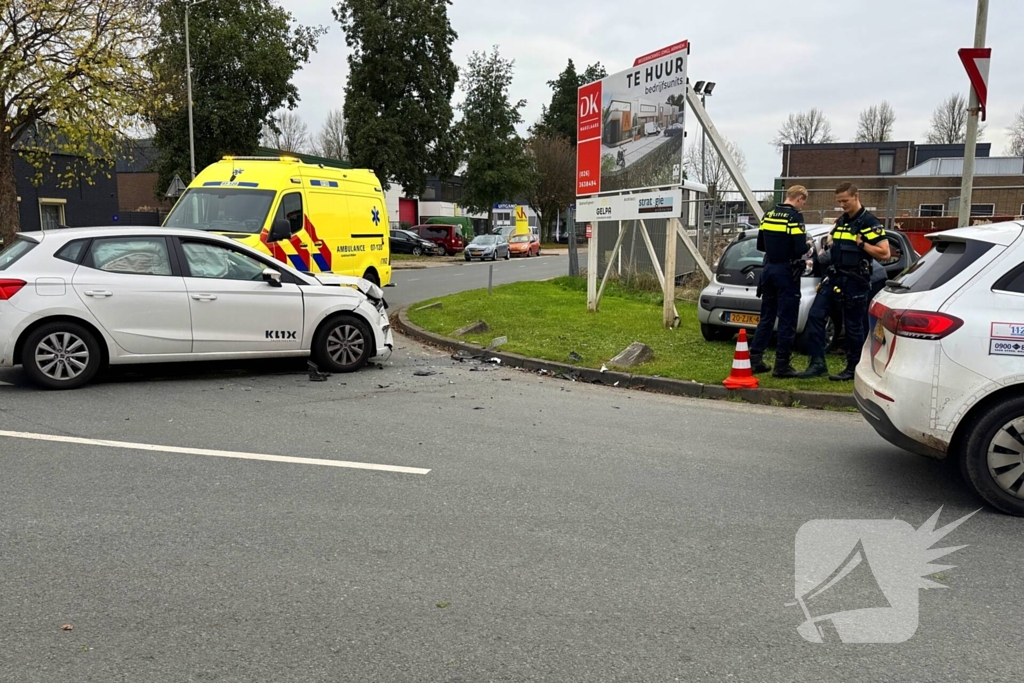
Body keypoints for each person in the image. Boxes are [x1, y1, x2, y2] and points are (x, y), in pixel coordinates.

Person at [798, 183, 890, 381]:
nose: (842, 205)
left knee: (853, 326)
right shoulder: (842, 221)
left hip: (855, 280)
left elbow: (885, 252)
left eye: (845, 201)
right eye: (839, 201)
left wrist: (863, 244)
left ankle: (853, 368)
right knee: (815, 315)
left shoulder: (868, 222)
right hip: (834, 277)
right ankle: (817, 364)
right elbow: (834, 248)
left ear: (856, 196)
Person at [749, 185, 810, 378]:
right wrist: (807, 245)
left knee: (766, 317)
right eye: (803, 202)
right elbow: (800, 248)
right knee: (787, 319)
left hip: (768, 271)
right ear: (799, 198)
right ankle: (782, 365)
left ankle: (755, 359)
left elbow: (760, 245)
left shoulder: (768, 215)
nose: (802, 206)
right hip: (786, 272)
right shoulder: (794, 217)